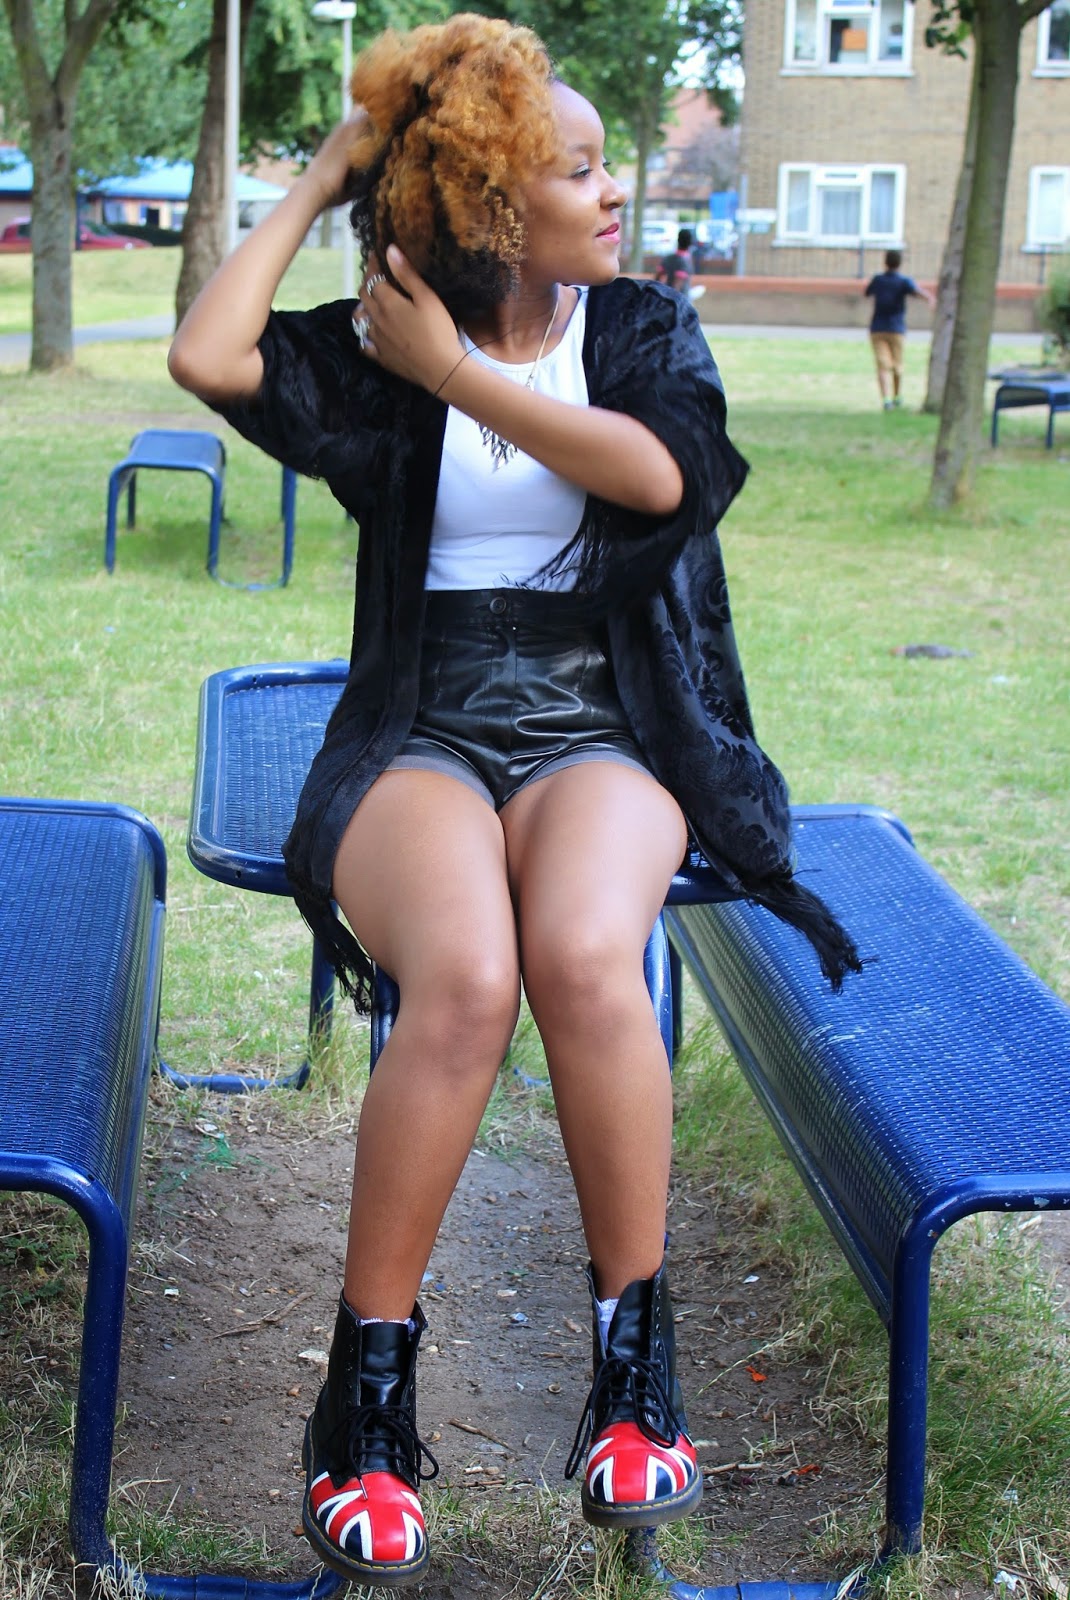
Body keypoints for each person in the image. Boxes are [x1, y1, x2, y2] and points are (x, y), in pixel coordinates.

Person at [169, 15, 860, 1587]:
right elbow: (208, 355)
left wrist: (464, 378)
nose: (613, 194)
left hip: (608, 718)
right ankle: (366, 1401)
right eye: (577, 170)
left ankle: (632, 1379)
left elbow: (661, 478)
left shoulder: (640, 329)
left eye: (607, 166)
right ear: (488, 202)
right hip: (424, 718)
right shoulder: (388, 334)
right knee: (467, 981)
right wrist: (325, 176)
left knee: (584, 955)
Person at [864, 248, 934, 410]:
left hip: (878, 328)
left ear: (885, 262)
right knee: (898, 365)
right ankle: (897, 396)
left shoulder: (878, 280)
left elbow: (867, 292)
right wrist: (930, 298)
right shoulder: (903, 281)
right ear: (900, 263)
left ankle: (886, 399)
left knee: (882, 365)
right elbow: (917, 291)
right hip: (896, 328)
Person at [655, 226, 694, 292]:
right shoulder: (684, 260)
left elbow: (657, 279)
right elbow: (677, 284)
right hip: (680, 296)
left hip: (669, 294)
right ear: (690, 242)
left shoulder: (668, 258)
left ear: (678, 240)